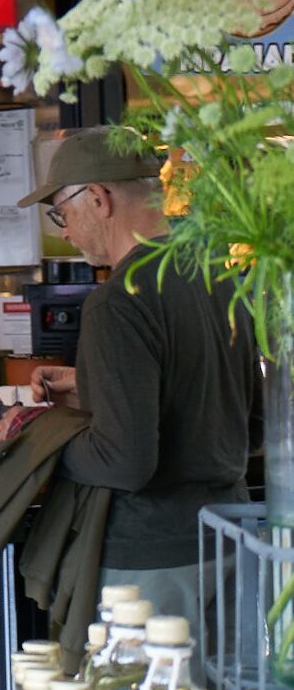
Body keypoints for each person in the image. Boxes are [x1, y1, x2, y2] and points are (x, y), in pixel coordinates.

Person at [13, 129, 259, 630]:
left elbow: (125, 463)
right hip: (231, 540)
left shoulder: (118, 301)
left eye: (62, 212)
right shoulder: (216, 274)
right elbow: (250, 425)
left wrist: (31, 436)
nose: (66, 231)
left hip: (150, 563)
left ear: (98, 198)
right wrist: (94, 384)